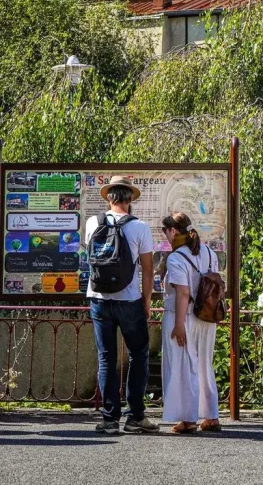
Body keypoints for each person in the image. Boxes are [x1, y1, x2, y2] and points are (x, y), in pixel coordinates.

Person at [86, 175, 159, 436]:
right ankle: (135, 417)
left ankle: (108, 420)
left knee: (106, 358)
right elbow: (148, 271)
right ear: (129, 199)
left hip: (98, 299)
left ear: (108, 197)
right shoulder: (140, 227)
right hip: (129, 301)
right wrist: (147, 302)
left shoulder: (92, 222)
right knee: (138, 354)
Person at [160, 212, 221, 434]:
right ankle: (211, 416)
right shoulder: (209, 252)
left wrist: (178, 325)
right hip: (207, 316)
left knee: (184, 366)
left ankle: (188, 419)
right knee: (204, 364)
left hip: (184, 316)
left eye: (165, 231)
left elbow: (183, 292)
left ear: (173, 231)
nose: (165, 236)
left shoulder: (176, 258)